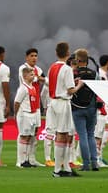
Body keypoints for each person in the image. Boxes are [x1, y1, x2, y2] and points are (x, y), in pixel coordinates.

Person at [46, 41, 82, 178]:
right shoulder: (67, 69)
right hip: (62, 102)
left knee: (66, 135)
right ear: (68, 53)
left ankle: (66, 168)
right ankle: (57, 170)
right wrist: (79, 85)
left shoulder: (52, 67)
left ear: (56, 53)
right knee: (62, 135)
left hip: (53, 102)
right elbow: (70, 90)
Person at [70, 48, 99, 173]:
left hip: (77, 107)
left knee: (82, 136)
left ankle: (86, 164)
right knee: (91, 134)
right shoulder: (94, 73)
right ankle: (95, 162)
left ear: (77, 59)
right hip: (91, 106)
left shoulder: (72, 73)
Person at [13, 66, 42, 168]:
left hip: (32, 114)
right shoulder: (23, 88)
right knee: (24, 136)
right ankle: (21, 161)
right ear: (25, 76)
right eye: (31, 75)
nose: (33, 76)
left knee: (29, 137)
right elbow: (16, 102)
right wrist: (15, 114)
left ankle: (27, 160)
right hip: (24, 114)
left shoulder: (32, 87)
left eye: (33, 74)